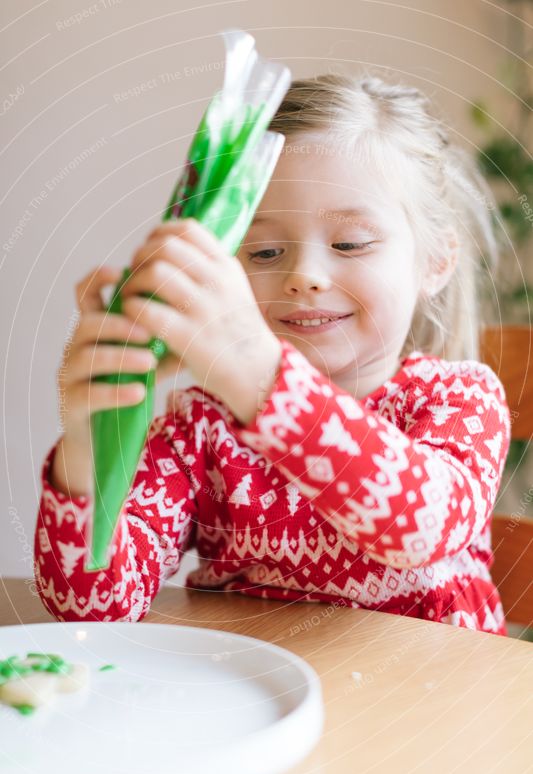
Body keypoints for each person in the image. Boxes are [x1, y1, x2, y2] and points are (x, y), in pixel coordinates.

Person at [33, 74, 511, 634]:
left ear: (435, 260)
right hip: (261, 702)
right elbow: (93, 606)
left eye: (350, 243)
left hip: (433, 710)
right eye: (263, 250)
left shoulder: (460, 401)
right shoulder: (202, 429)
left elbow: (417, 526)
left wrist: (263, 378)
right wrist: (90, 448)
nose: (304, 276)